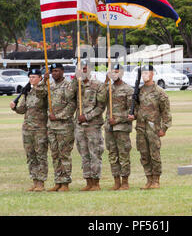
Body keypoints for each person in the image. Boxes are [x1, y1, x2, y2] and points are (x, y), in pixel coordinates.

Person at [129, 64, 171, 189]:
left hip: (154, 128)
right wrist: (133, 116)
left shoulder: (159, 92)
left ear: (152, 74)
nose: (144, 75)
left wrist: (164, 128)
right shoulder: (139, 91)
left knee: (154, 154)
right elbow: (137, 109)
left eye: (147, 73)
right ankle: (148, 179)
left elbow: (166, 112)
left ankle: (156, 180)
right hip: (141, 128)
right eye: (143, 73)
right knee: (144, 154)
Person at [10, 68, 48, 192]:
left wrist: (43, 83)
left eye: (34, 77)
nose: (31, 79)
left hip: (39, 128)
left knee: (40, 156)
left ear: (40, 78)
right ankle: (35, 181)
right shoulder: (28, 91)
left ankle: (41, 182)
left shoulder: (43, 91)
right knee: (31, 156)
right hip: (27, 128)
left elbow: (43, 95)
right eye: (30, 77)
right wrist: (15, 108)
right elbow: (23, 109)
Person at [71, 61, 106, 191]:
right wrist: (76, 79)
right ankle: (88, 181)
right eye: (80, 69)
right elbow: (69, 96)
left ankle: (96, 182)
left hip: (92, 125)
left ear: (90, 69)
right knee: (84, 154)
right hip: (80, 126)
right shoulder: (77, 85)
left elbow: (101, 106)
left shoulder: (98, 85)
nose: (83, 71)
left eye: (85, 69)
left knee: (94, 153)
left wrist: (87, 116)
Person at [43, 63, 76, 192]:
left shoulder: (68, 85)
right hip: (51, 127)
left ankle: (65, 182)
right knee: (55, 155)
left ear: (62, 71)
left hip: (64, 126)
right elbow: (40, 95)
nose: (54, 73)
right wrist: (43, 81)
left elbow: (71, 104)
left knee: (64, 155)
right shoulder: (49, 85)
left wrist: (58, 116)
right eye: (53, 71)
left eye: (57, 71)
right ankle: (58, 181)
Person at [104, 64, 134, 190]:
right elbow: (99, 98)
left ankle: (125, 181)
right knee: (112, 154)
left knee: (123, 154)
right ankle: (116, 180)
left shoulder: (127, 89)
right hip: (109, 128)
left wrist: (117, 120)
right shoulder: (108, 88)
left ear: (121, 73)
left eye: (117, 72)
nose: (114, 74)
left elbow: (132, 112)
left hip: (121, 128)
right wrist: (106, 81)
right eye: (112, 72)